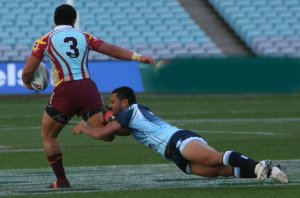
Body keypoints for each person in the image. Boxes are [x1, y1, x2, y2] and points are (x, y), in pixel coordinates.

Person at [22, 4, 155, 189]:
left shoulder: (45, 40)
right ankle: (119, 121)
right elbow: (111, 50)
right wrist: (139, 57)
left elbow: (28, 71)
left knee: (49, 136)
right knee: (105, 134)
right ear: (74, 20)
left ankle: (62, 181)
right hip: (87, 89)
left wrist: (28, 82)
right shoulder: (84, 36)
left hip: (64, 91)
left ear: (54, 20)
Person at [73, 86, 288, 184]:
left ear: (125, 102)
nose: (111, 105)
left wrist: (86, 127)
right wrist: (105, 115)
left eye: (113, 102)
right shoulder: (129, 116)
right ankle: (271, 172)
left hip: (178, 140)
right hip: (175, 156)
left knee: (215, 159)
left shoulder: (131, 111)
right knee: (219, 172)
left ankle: (261, 165)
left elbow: (104, 135)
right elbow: (119, 131)